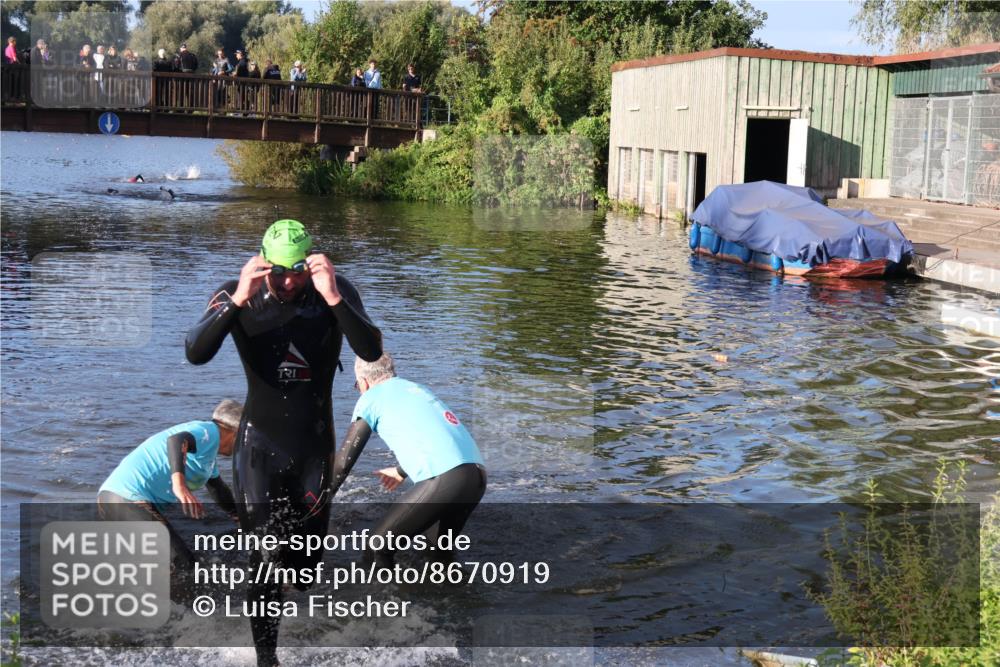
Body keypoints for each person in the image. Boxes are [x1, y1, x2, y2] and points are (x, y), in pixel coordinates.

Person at [185, 219, 382, 667]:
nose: (289, 281)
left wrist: (332, 296)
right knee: (266, 554)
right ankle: (266, 659)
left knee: (304, 570)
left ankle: (290, 600)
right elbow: (195, 352)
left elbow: (370, 352)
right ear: (262, 263)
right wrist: (237, 299)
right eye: (279, 272)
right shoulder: (238, 292)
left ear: (310, 263)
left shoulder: (335, 289)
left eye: (297, 271)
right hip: (260, 446)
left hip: (313, 447)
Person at [331, 353, 486, 568]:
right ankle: (452, 598)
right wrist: (401, 470)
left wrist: (314, 504)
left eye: (357, 385)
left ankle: (383, 602)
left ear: (364, 382)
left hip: (446, 479)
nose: (359, 390)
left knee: (377, 547)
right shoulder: (417, 389)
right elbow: (440, 438)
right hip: (476, 476)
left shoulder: (370, 398)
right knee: (436, 554)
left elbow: (342, 464)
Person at [97, 400, 242, 576]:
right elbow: (177, 440)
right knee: (182, 565)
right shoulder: (208, 431)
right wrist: (179, 485)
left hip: (120, 501)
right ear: (235, 432)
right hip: (125, 498)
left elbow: (218, 489)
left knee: (167, 566)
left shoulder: (208, 456)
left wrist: (239, 518)